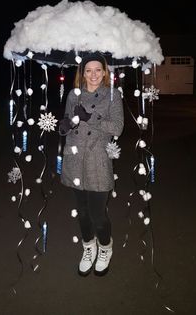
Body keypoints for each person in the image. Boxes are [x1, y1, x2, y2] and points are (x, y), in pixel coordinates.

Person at [59, 52, 124, 276]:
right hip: (75, 159)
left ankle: (105, 247)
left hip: (98, 160)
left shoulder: (113, 96)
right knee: (82, 212)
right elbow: (67, 120)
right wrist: (65, 125)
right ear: (82, 72)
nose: (93, 74)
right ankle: (88, 247)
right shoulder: (72, 95)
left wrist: (90, 117)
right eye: (88, 70)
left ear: (105, 72)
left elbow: (117, 128)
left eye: (98, 70)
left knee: (98, 214)